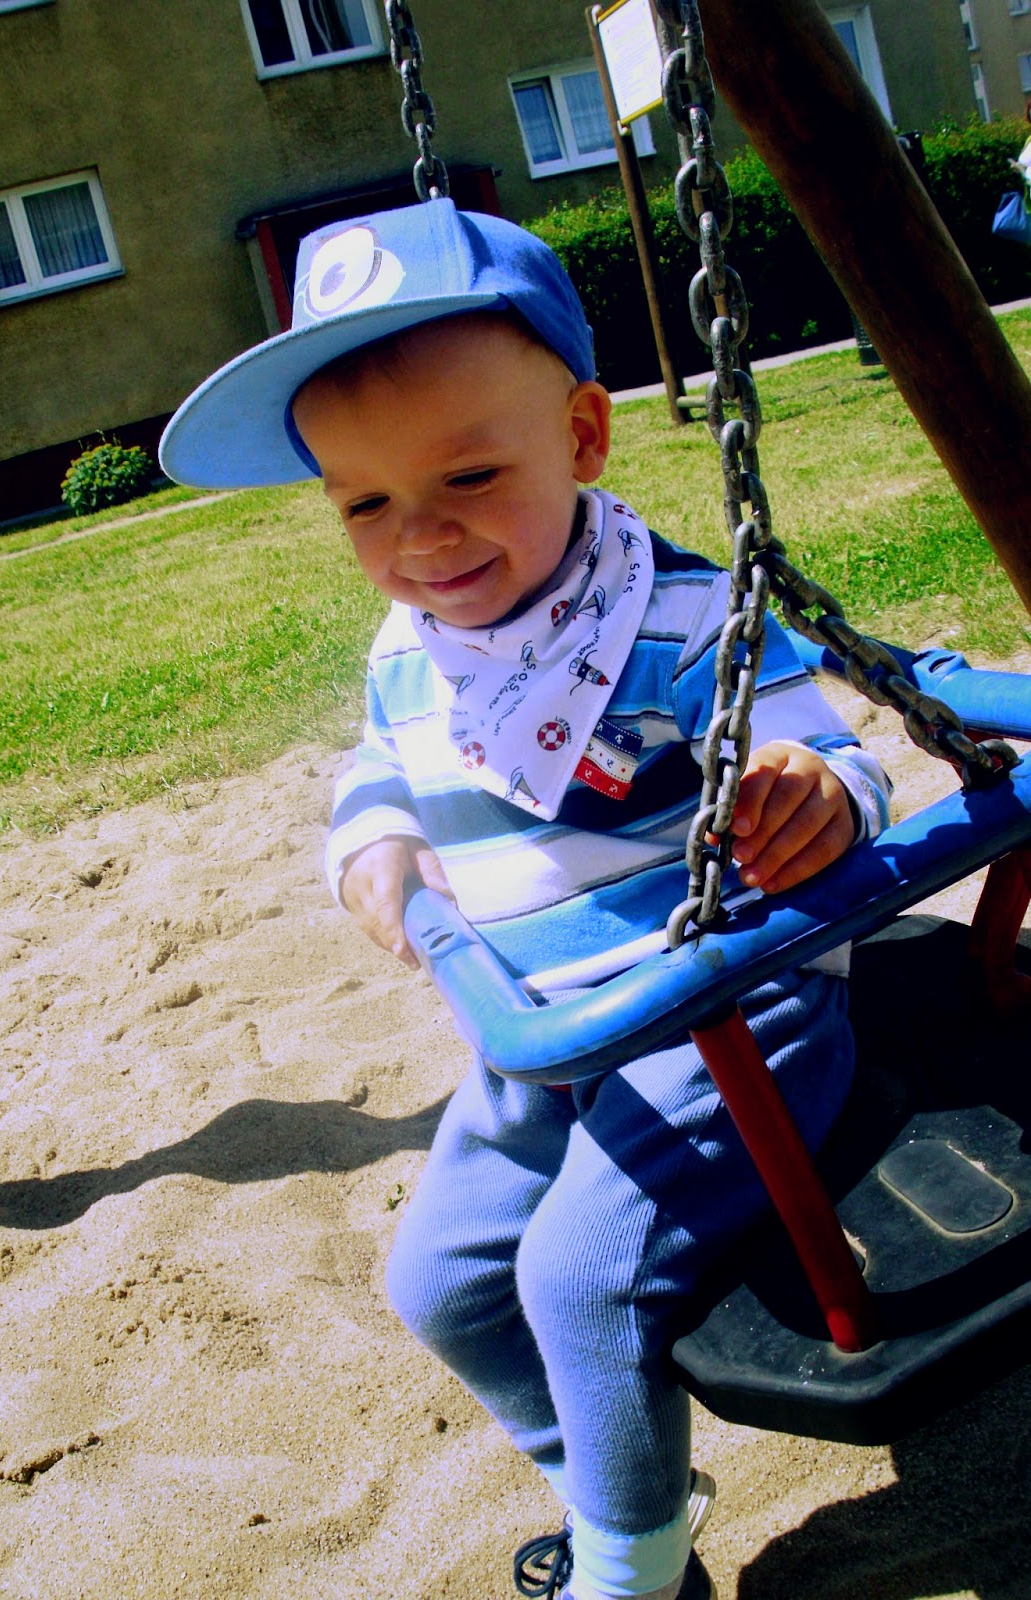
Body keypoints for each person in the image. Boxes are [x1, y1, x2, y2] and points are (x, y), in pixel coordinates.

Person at [160, 200, 891, 1600]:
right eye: (366, 503)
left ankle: (627, 1567)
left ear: (585, 436)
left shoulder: (683, 618)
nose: (421, 537)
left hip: (724, 1030)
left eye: (470, 475)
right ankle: (621, 1498)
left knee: (576, 1277)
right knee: (437, 1286)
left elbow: (845, 761)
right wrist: (374, 847)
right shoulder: (412, 649)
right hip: (540, 1042)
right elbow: (380, 766)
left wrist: (815, 793)